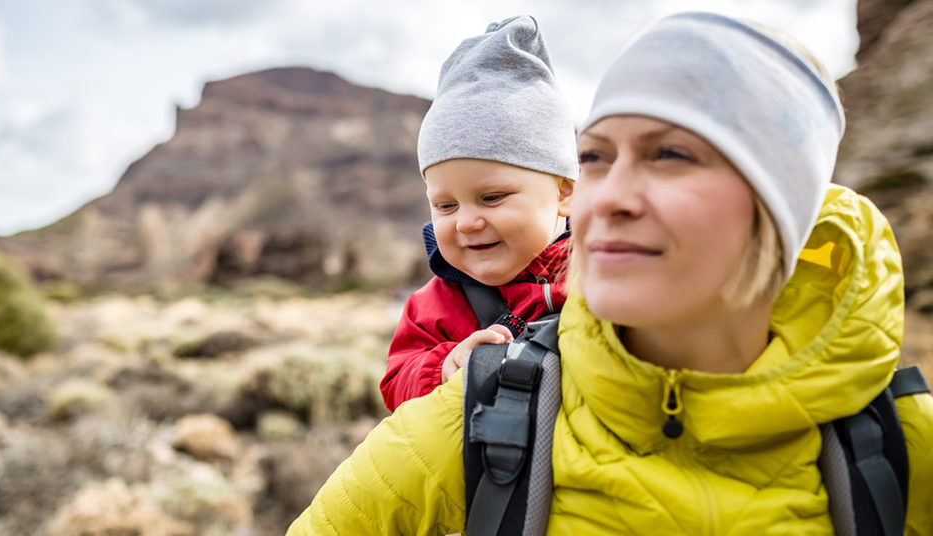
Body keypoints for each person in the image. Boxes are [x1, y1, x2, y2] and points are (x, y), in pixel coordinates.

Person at [288, 12, 933, 534]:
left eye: (670, 156)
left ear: (782, 203)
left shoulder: (900, 448)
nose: (612, 196)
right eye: (597, 156)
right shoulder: (480, 416)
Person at [380, 15, 578, 411]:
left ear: (563, 192)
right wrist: (444, 368)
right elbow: (396, 383)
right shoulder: (435, 305)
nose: (466, 222)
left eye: (492, 198)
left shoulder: (604, 273)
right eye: (446, 205)